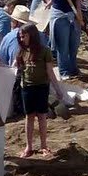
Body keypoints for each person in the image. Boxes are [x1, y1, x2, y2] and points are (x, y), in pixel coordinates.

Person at [14, 24, 60, 157]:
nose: (22, 39)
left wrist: (57, 89)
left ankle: (44, 145)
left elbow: (50, 71)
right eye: (20, 37)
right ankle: (29, 146)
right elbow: (14, 67)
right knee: (29, 117)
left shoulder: (44, 51)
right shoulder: (21, 51)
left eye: (24, 36)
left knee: (42, 116)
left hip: (42, 86)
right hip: (27, 87)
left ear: (32, 35)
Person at [37, 0, 84, 79]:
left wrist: (79, 14)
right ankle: (64, 71)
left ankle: (74, 69)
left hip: (72, 13)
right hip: (60, 14)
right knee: (62, 46)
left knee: (74, 44)